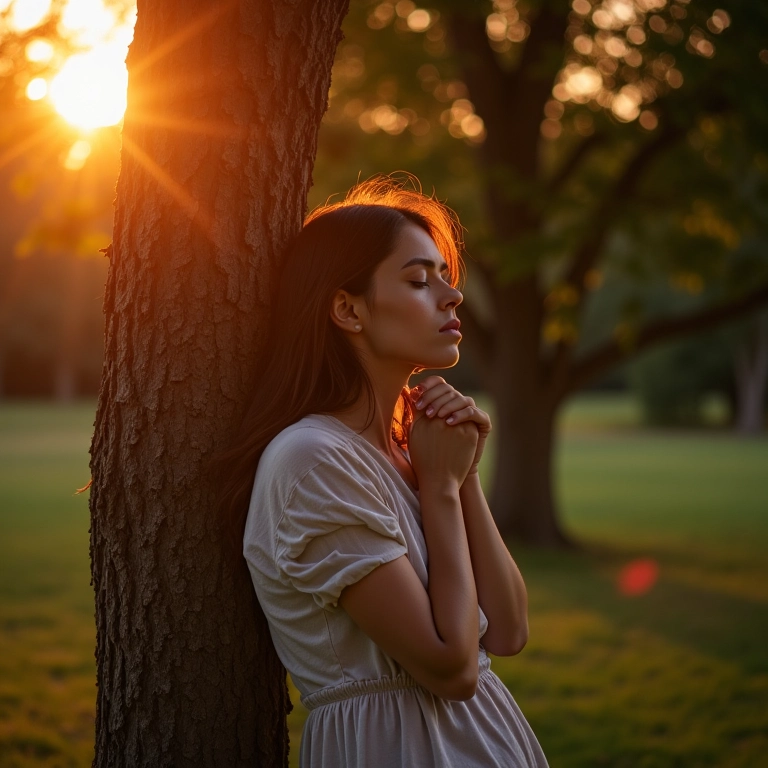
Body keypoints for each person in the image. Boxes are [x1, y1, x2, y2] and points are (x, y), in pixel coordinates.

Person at [217, 176, 548, 767]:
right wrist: (443, 490)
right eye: (420, 280)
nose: (453, 297)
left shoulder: (404, 453)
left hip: (483, 743)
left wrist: (460, 472)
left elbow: (508, 632)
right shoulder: (313, 460)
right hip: (397, 749)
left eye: (445, 276)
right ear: (347, 309)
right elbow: (450, 668)